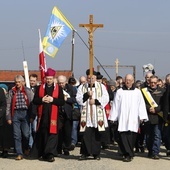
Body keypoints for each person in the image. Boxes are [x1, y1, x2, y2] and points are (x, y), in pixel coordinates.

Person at [109, 74, 148, 162]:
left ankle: (129, 153)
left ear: (133, 81)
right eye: (127, 80)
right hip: (123, 116)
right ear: (124, 80)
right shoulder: (119, 92)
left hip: (133, 117)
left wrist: (142, 116)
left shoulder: (137, 92)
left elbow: (141, 105)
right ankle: (127, 154)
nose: (128, 81)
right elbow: (115, 105)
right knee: (123, 135)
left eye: (130, 80)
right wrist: (113, 117)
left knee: (132, 136)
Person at [30, 68, 65, 162]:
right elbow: (35, 100)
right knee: (44, 134)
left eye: (50, 79)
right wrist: (42, 100)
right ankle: (43, 153)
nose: (49, 80)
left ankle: (50, 154)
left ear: (53, 78)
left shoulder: (58, 88)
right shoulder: (40, 88)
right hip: (43, 116)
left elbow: (62, 102)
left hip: (54, 116)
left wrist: (52, 100)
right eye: (47, 79)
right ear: (45, 78)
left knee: (52, 135)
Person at [76, 69, 109, 160]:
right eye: (89, 78)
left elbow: (106, 98)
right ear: (87, 78)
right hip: (86, 114)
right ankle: (85, 153)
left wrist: (96, 101)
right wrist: (86, 95)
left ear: (95, 77)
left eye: (92, 78)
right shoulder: (82, 87)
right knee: (86, 134)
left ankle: (96, 153)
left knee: (96, 134)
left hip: (97, 112)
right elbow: (78, 99)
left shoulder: (101, 86)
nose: (91, 79)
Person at [6, 75, 34, 160]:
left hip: (25, 113)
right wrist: (8, 117)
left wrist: (32, 116)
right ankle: (19, 153)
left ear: (22, 82)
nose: (17, 84)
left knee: (26, 134)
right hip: (16, 114)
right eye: (16, 82)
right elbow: (8, 105)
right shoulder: (12, 92)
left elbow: (32, 104)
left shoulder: (28, 91)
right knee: (16, 135)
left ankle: (26, 148)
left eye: (19, 82)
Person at [141, 75, 164, 159]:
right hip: (148, 116)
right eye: (151, 82)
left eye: (155, 82)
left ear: (157, 82)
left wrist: (156, 109)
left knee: (157, 135)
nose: (153, 84)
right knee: (148, 136)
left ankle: (155, 152)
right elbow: (141, 103)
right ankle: (150, 151)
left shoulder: (162, 91)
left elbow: (164, 104)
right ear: (149, 82)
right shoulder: (144, 91)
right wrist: (149, 108)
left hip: (158, 116)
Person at [57, 75, 76, 156]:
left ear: (65, 82)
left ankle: (66, 148)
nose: (61, 84)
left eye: (62, 83)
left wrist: (67, 99)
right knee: (58, 131)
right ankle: (58, 148)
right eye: (59, 83)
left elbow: (75, 99)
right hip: (58, 113)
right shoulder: (56, 89)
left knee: (67, 132)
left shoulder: (71, 89)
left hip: (68, 113)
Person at [29, 74, 38, 149]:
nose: (32, 82)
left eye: (34, 81)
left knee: (34, 130)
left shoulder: (38, 89)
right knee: (28, 131)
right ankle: (30, 146)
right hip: (27, 112)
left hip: (35, 112)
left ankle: (35, 145)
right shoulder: (26, 88)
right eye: (31, 80)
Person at [0, 84, 7, 157]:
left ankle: (4, 150)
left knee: (2, 135)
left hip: (0, 117)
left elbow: (3, 104)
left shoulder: (0, 90)